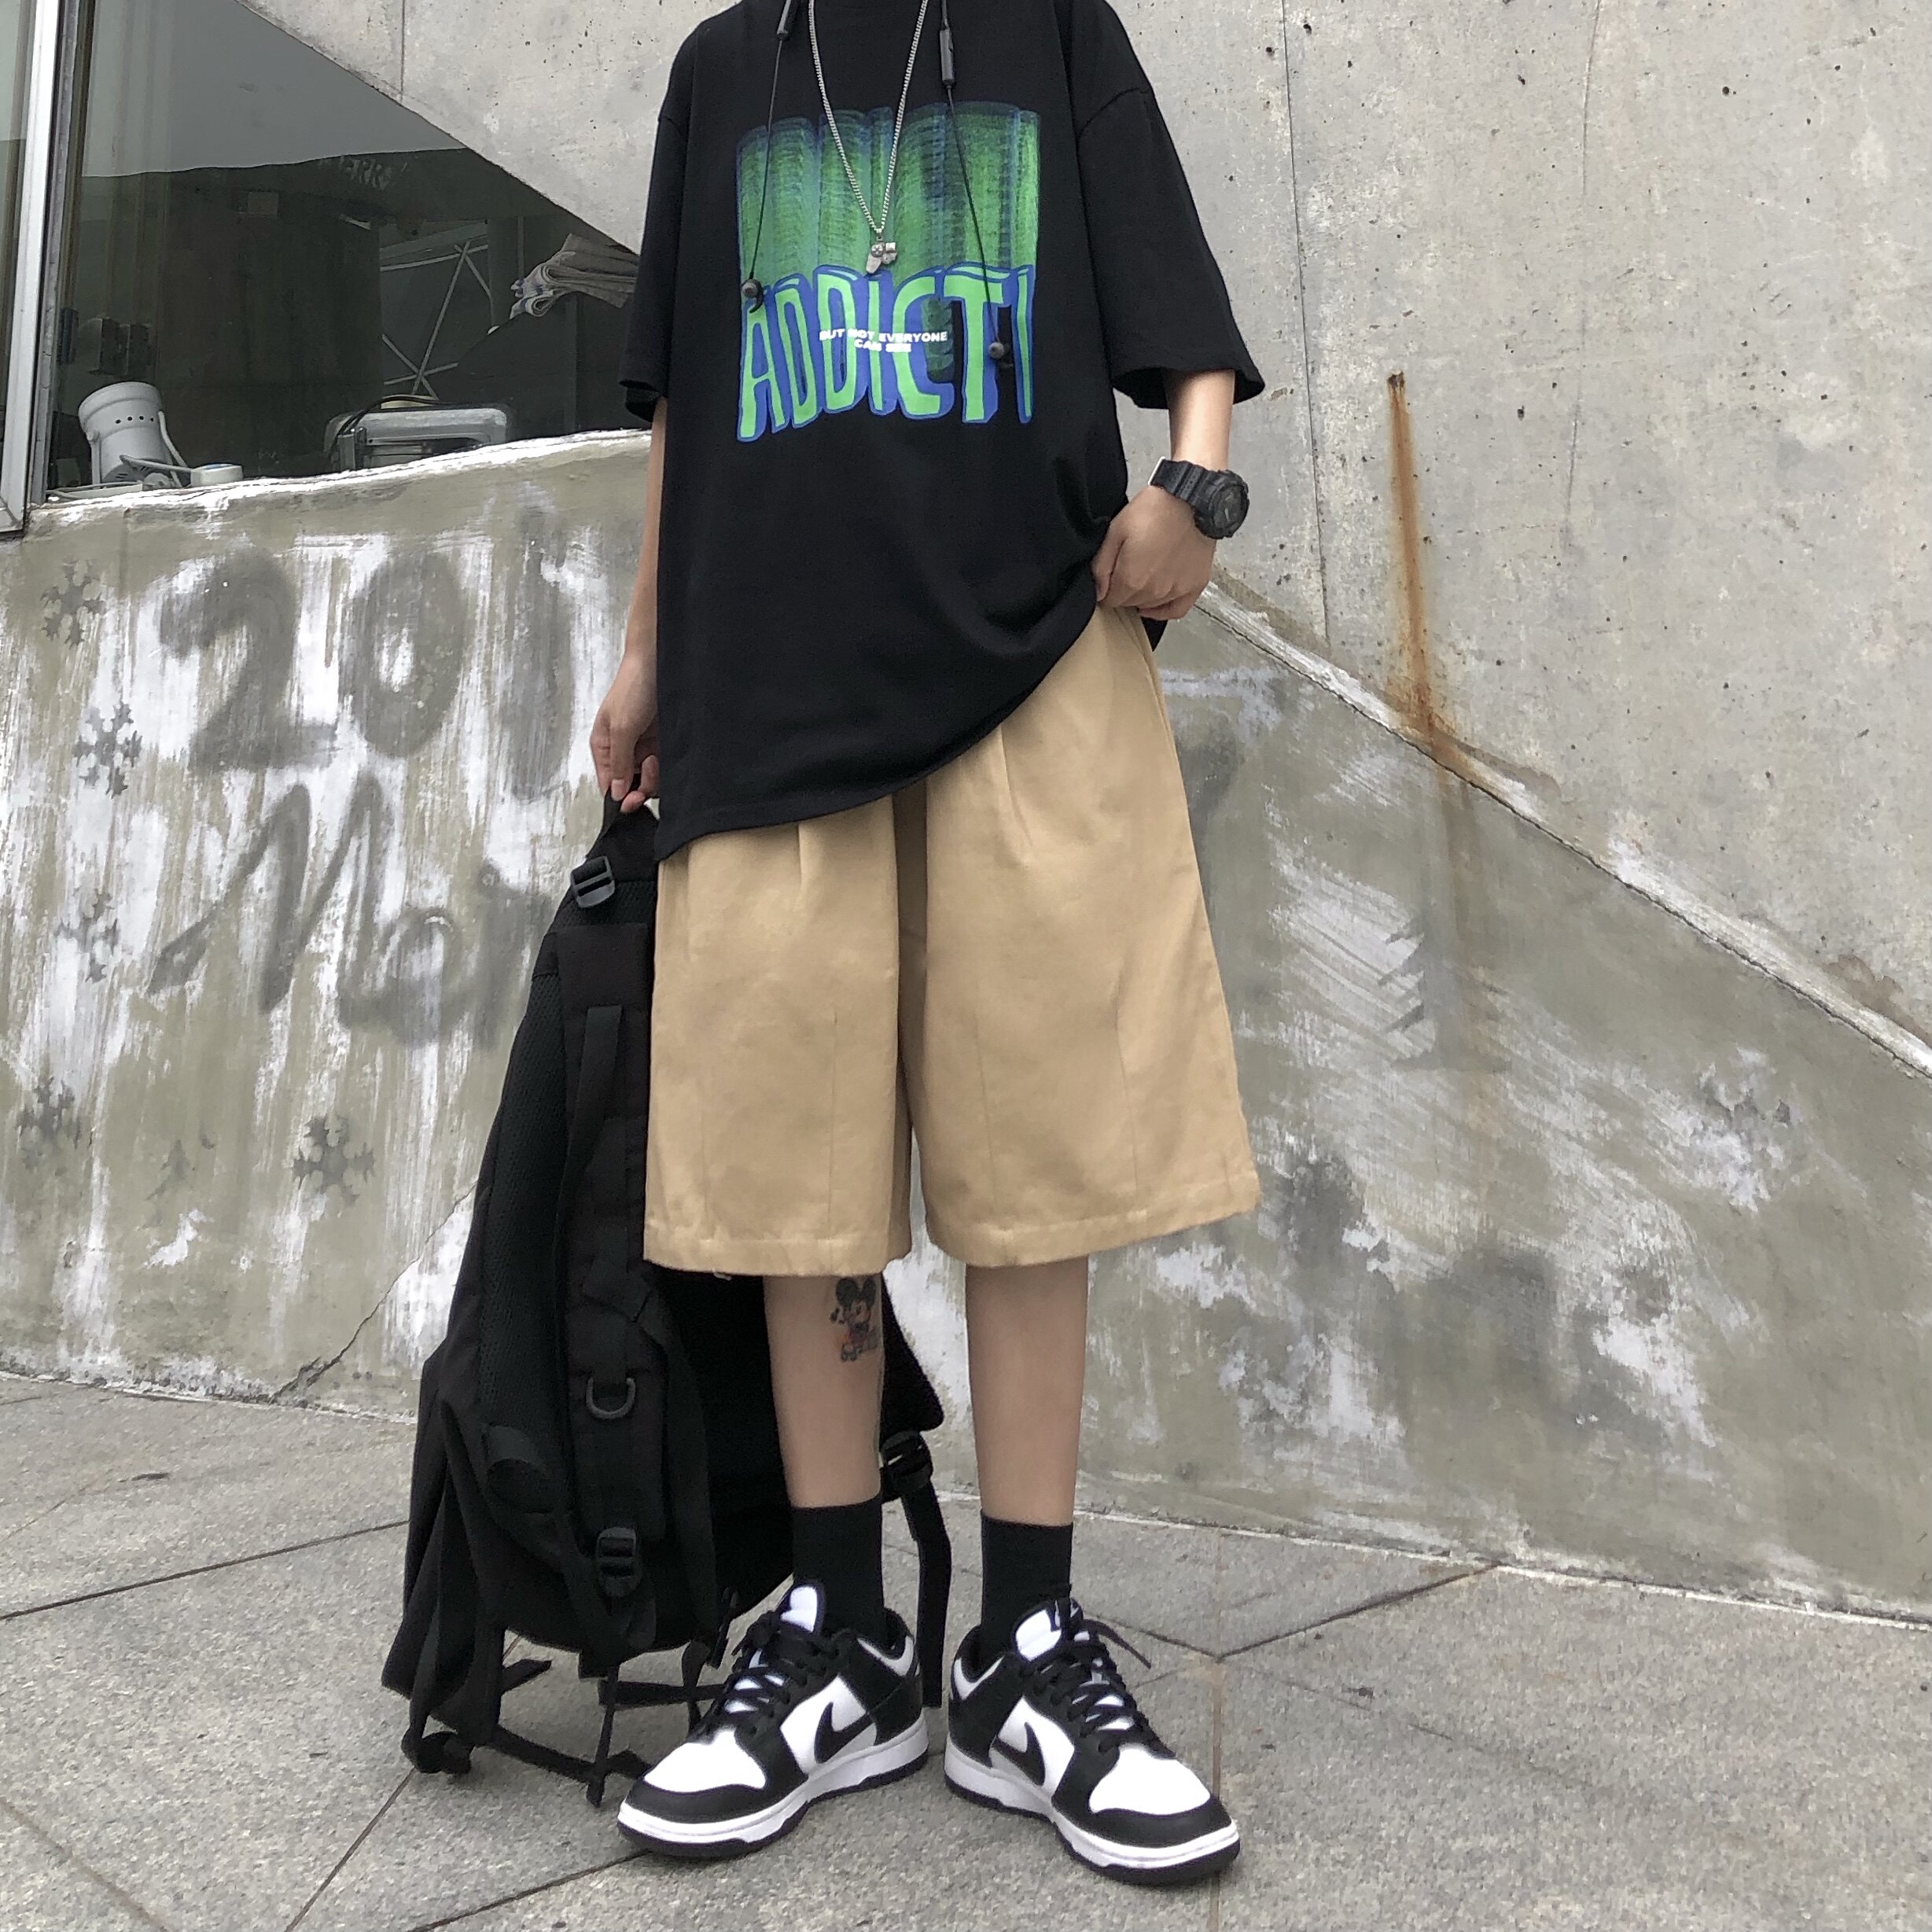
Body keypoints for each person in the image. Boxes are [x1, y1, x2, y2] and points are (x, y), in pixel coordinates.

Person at [590, 0, 1262, 1886]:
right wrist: (642, 655)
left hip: (1029, 658)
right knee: (791, 1167)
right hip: (767, 684)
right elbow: (684, 401)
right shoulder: (723, 70)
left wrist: (1193, 486)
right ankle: (838, 1630)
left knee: (1034, 1153)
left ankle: (1027, 1638)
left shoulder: (1045, 28)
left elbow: (1179, 317)